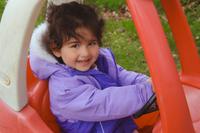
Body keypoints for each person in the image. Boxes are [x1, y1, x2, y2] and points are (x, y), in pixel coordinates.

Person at [29, 2, 154, 133]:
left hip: (119, 125)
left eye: (91, 43)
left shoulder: (99, 61)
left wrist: (147, 82)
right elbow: (105, 104)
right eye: (75, 45)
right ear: (56, 49)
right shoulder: (64, 88)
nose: (85, 53)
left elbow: (121, 75)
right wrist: (144, 92)